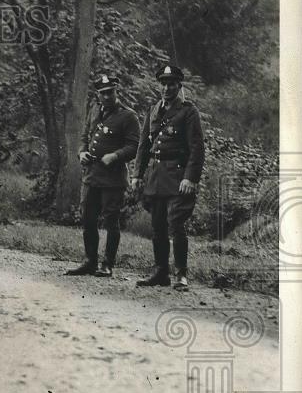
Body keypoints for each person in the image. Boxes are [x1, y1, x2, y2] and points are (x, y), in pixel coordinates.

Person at [131, 64, 205, 290]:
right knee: (158, 226)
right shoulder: (154, 111)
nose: (166, 88)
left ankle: (181, 274)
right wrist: (137, 175)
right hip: (156, 176)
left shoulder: (188, 111)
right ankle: (160, 272)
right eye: (163, 84)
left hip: (177, 177)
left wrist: (190, 178)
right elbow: (144, 146)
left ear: (178, 85)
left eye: (171, 84)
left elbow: (197, 148)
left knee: (176, 223)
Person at [65, 74, 140, 278]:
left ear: (117, 91)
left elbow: (134, 146)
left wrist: (115, 156)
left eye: (110, 92)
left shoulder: (128, 116)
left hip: (113, 180)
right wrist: (81, 152)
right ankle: (90, 261)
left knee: (111, 222)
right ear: (98, 95)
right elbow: (84, 136)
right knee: (88, 220)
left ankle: (107, 264)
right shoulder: (95, 110)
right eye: (103, 93)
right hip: (91, 176)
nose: (107, 96)